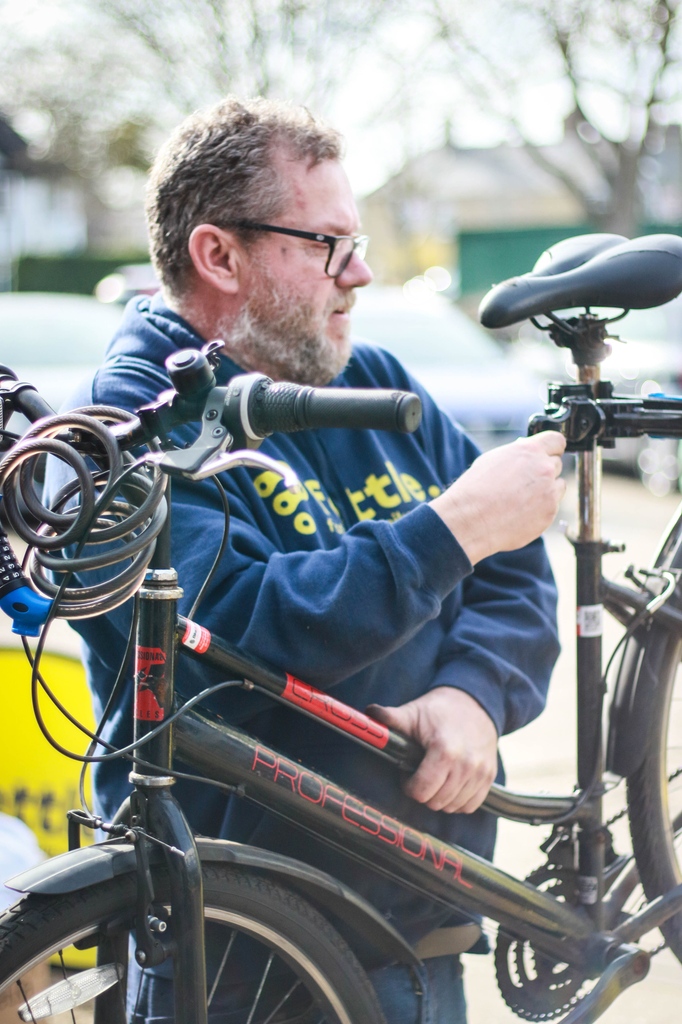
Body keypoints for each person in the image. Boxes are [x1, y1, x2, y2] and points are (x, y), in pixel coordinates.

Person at [49, 96, 565, 1023]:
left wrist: (474, 693)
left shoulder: (374, 381)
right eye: (327, 243)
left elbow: (517, 571)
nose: (361, 272)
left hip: (415, 926)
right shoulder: (134, 427)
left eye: (355, 240)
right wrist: (449, 532)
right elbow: (243, 630)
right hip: (233, 951)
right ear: (219, 255)